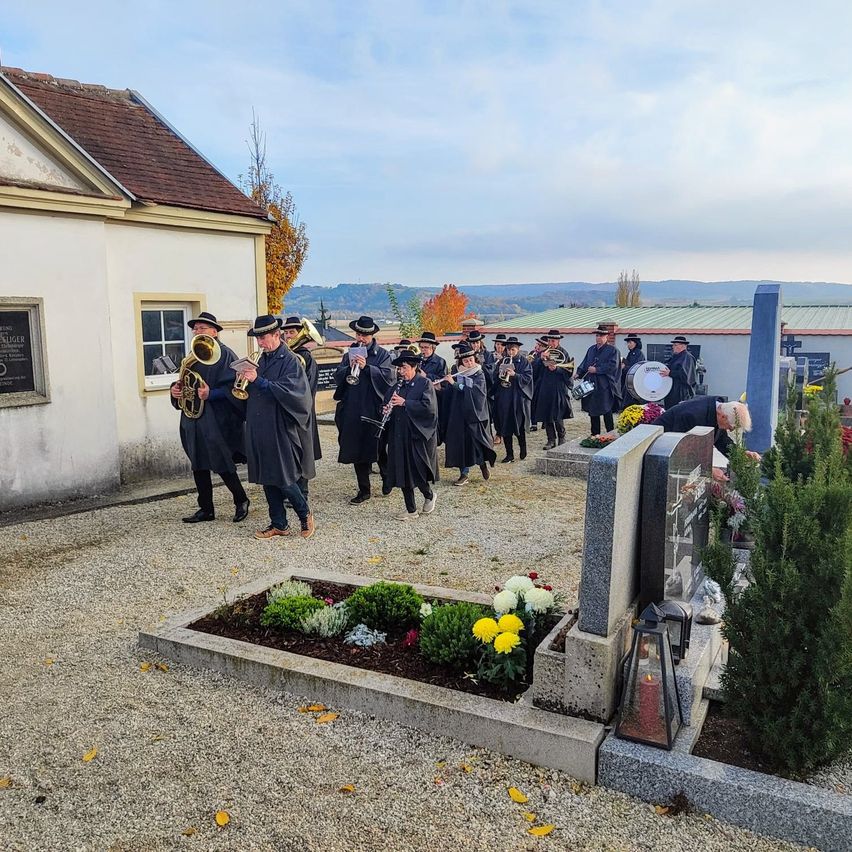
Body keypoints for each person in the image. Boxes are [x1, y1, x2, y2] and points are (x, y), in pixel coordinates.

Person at [237, 315, 316, 540]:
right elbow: (254, 390)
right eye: (258, 339)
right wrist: (243, 379)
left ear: (276, 335)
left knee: (283, 477)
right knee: (266, 476)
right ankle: (279, 523)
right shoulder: (260, 360)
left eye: (263, 338)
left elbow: (295, 394)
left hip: (280, 426)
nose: (260, 343)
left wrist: (258, 380)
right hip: (259, 424)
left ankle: (305, 514)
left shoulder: (290, 360)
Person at [170, 311, 249, 524]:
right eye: (195, 328)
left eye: (202, 328)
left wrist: (210, 394)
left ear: (214, 331)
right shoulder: (193, 354)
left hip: (215, 417)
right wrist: (175, 390)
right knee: (198, 462)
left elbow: (236, 388)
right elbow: (185, 380)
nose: (197, 331)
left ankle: (241, 499)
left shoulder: (226, 355)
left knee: (221, 460)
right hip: (193, 416)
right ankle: (206, 508)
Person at [333, 315, 395, 503]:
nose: (361, 338)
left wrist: (367, 367)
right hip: (353, 408)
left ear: (372, 336)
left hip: (373, 409)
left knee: (378, 447)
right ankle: (364, 490)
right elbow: (338, 376)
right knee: (356, 449)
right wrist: (349, 368)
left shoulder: (382, 355)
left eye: (365, 336)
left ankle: (387, 478)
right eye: (358, 334)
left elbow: (388, 378)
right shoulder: (348, 354)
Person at [380, 349, 439, 520]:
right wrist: (385, 409)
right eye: (399, 368)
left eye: (404, 368)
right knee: (401, 471)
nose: (401, 372)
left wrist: (406, 403)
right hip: (398, 434)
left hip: (416, 434)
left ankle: (429, 495)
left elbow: (429, 408)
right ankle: (411, 509)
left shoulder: (424, 384)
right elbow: (386, 403)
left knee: (417, 470)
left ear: (414, 367)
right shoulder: (397, 386)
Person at [651, 397, 759, 481]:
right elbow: (681, 450)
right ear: (723, 417)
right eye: (731, 427)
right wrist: (708, 470)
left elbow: (721, 440)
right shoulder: (692, 415)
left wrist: (740, 454)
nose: (731, 430)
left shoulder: (718, 411)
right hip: (658, 451)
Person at [442, 341, 496, 485]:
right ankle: (464, 474)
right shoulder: (456, 371)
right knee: (460, 444)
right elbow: (450, 393)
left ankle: (482, 465)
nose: (469, 363)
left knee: (475, 443)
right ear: (461, 362)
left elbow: (477, 393)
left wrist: (455, 384)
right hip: (459, 414)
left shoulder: (479, 373)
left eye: (471, 360)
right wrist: (445, 385)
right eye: (466, 361)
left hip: (474, 414)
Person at [281, 316, 321, 500]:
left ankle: (302, 492)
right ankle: (291, 490)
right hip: (286, 410)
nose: (288, 336)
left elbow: (308, 387)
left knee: (303, 450)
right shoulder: (284, 355)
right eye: (286, 332)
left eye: (292, 332)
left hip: (302, 411)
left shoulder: (305, 357)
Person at [492, 335, 533, 462]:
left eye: (513, 350)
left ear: (518, 349)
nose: (510, 352)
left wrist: (515, 375)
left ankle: (523, 449)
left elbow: (528, 378)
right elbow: (494, 378)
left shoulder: (524, 362)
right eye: (508, 349)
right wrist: (500, 373)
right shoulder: (502, 361)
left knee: (519, 426)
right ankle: (509, 454)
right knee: (505, 426)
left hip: (517, 398)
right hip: (504, 397)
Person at [575, 325, 621, 435]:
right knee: (593, 410)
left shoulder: (613, 350)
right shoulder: (591, 349)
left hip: (605, 385)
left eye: (601, 336)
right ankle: (595, 435)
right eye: (597, 335)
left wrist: (597, 369)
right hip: (591, 384)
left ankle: (610, 434)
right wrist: (579, 373)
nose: (598, 338)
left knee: (606, 410)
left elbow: (613, 366)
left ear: (606, 337)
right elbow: (585, 363)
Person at [536, 330, 574, 449]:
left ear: (558, 341)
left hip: (558, 387)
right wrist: (540, 359)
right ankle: (551, 439)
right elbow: (535, 369)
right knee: (547, 414)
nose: (551, 343)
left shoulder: (564, 353)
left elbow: (568, 371)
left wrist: (556, 369)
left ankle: (562, 437)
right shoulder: (544, 352)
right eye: (549, 341)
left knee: (558, 414)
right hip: (546, 386)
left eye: (553, 341)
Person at [661, 335, 697, 409]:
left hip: (681, 392)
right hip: (672, 391)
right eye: (673, 345)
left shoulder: (687, 357)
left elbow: (686, 376)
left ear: (683, 346)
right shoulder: (676, 356)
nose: (673, 347)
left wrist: (670, 373)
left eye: (675, 345)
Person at [619, 333, 646, 409]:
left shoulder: (638, 353)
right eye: (628, 343)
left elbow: (636, 367)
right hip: (629, 379)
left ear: (635, 343)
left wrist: (625, 367)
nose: (628, 345)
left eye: (630, 342)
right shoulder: (631, 353)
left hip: (634, 380)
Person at [528, 336, 548, 433]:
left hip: (543, 381)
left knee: (544, 402)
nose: (537, 347)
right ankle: (534, 423)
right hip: (534, 381)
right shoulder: (533, 353)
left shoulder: (547, 354)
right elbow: (530, 366)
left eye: (540, 345)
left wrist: (540, 359)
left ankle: (545, 421)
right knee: (533, 402)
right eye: (537, 344)